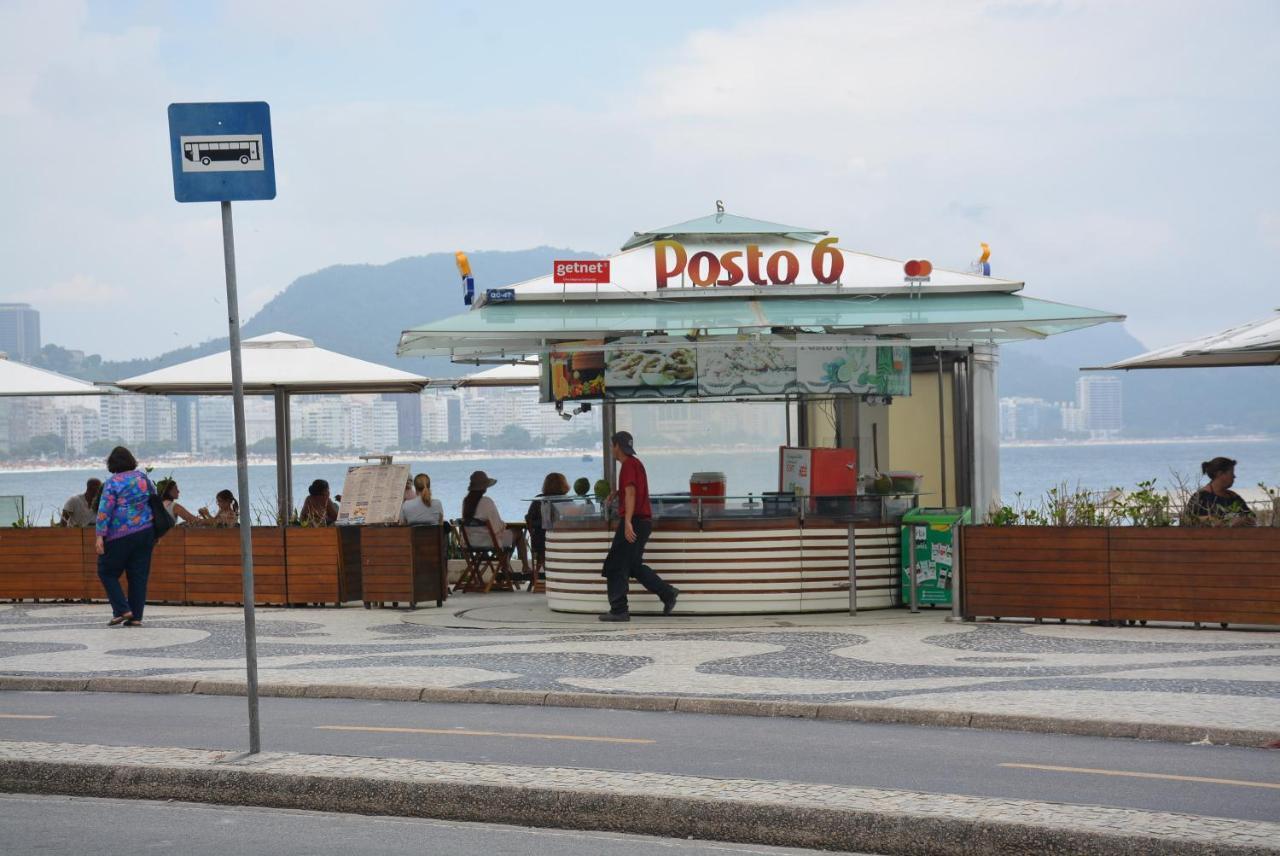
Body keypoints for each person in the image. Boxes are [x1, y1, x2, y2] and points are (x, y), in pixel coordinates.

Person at [599, 431, 678, 622]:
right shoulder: (636, 464)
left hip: (634, 521)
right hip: (643, 522)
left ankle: (619, 609)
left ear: (617, 446)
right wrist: (618, 493)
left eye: (612, 446)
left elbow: (632, 493)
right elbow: (632, 490)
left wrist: (627, 522)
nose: (612, 449)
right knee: (633, 566)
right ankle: (667, 593)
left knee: (615, 565)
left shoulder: (627, 466)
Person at [95, 446, 156, 628]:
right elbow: (154, 501)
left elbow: (104, 510)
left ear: (112, 464)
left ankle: (122, 609)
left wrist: (100, 535)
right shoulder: (143, 478)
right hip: (145, 531)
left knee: (106, 571)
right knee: (138, 575)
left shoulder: (113, 483)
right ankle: (135, 616)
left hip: (119, 534)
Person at [1186, 457, 1256, 527]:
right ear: (1220, 474)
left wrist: (1243, 519)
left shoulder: (1233, 497)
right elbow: (1187, 521)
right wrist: (1223, 522)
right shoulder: (1200, 498)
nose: (1234, 476)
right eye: (1231, 473)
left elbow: (1252, 517)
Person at [460, 470, 513, 549]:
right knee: (518, 534)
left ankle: (503, 560)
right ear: (484, 487)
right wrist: (504, 525)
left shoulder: (466, 502)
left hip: (471, 542)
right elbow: (497, 525)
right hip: (490, 541)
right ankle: (506, 560)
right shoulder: (487, 501)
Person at [526, 472, 570, 561]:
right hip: (563, 541)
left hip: (540, 541)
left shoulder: (538, 499)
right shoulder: (566, 500)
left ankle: (544, 570)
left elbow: (529, 518)